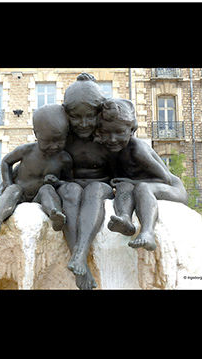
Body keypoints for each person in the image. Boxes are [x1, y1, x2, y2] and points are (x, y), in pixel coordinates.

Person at [97, 98, 188, 251]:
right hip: (139, 187)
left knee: (142, 187)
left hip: (172, 190)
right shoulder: (111, 150)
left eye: (119, 132)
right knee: (124, 186)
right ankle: (125, 220)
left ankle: (147, 233)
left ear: (132, 130)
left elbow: (164, 179)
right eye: (106, 133)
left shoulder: (138, 150)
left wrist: (131, 182)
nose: (112, 139)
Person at [57, 73, 113, 290]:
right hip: (70, 187)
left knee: (96, 189)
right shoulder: (62, 139)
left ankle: (80, 253)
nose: (83, 123)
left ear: (100, 113)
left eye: (90, 116)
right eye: (76, 117)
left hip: (100, 187)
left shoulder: (109, 137)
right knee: (70, 191)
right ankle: (80, 263)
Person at [0, 104, 72, 236]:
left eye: (60, 141)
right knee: (14, 190)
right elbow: (6, 162)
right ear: (36, 134)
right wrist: (8, 184)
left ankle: (55, 214)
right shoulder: (26, 151)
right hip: (20, 194)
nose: (54, 146)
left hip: (40, 197)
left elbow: (68, 182)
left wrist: (57, 182)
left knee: (47, 189)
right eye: (47, 141)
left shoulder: (64, 159)